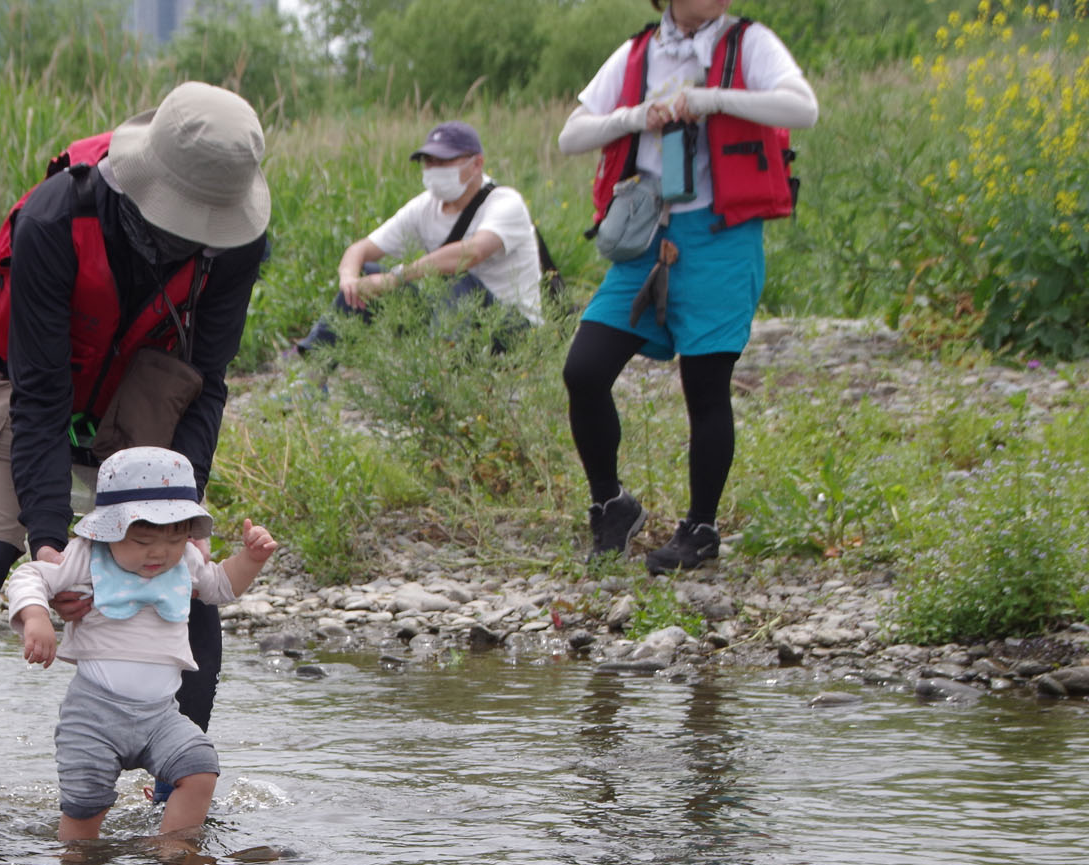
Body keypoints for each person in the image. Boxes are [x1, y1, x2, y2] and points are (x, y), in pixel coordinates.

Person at [0, 81, 271, 813]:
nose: (191, 236)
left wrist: (175, 515)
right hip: (29, 387)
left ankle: (175, 790)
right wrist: (49, 544)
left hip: (147, 387)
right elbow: (37, 398)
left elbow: (206, 382)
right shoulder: (56, 218)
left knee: (186, 588)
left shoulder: (238, 245)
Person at [558, 0, 817, 571]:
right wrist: (635, 116)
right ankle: (611, 503)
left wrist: (711, 100)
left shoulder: (749, 42)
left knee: (705, 387)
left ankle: (700, 530)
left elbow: (804, 108)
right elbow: (570, 137)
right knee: (584, 370)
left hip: (721, 239)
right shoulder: (638, 53)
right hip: (646, 235)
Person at [7, 446, 278, 843]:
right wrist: (35, 616)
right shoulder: (89, 555)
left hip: (160, 716)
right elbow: (31, 575)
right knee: (86, 805)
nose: (158, 552)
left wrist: (251, 559)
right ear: (109, 530)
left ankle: (172, 852)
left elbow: (220, 586)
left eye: (173, 538)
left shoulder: (183, 560)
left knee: (200, 767)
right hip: (94, 716)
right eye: (144, 538)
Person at [289, 120, 544, 356]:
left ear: (476, 164)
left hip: (512, 329)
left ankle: (436, 376)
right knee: (367, 273)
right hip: (451, 318)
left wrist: (395, 277)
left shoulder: (505, 202)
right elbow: (360, 250)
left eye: (444, 162)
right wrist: (350, 281)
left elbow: (471, 253)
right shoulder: (424, 207)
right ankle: (312, 371)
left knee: (458, 282)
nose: (433, 170)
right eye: (428, 162)